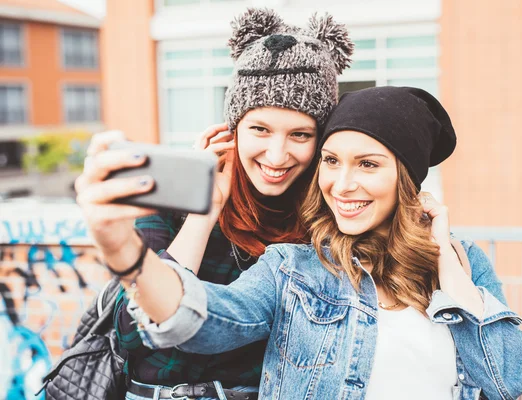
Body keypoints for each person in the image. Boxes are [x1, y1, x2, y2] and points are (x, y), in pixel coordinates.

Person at [76, 85, 522, 399]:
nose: (342, 183)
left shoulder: (465, 264)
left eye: (368, 165)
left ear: (406, 179)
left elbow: (506, 379)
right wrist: (124, 252)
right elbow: (195, 322)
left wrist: (451, 275)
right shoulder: (294, 266)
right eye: (331, 161)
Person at [76, 8, 354, 400]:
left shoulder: (326, 219)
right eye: (260, 129)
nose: (277, 155)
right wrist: (203, 214)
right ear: (231, 130)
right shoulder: (172, 202)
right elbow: (133, 329)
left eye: (300, 134)